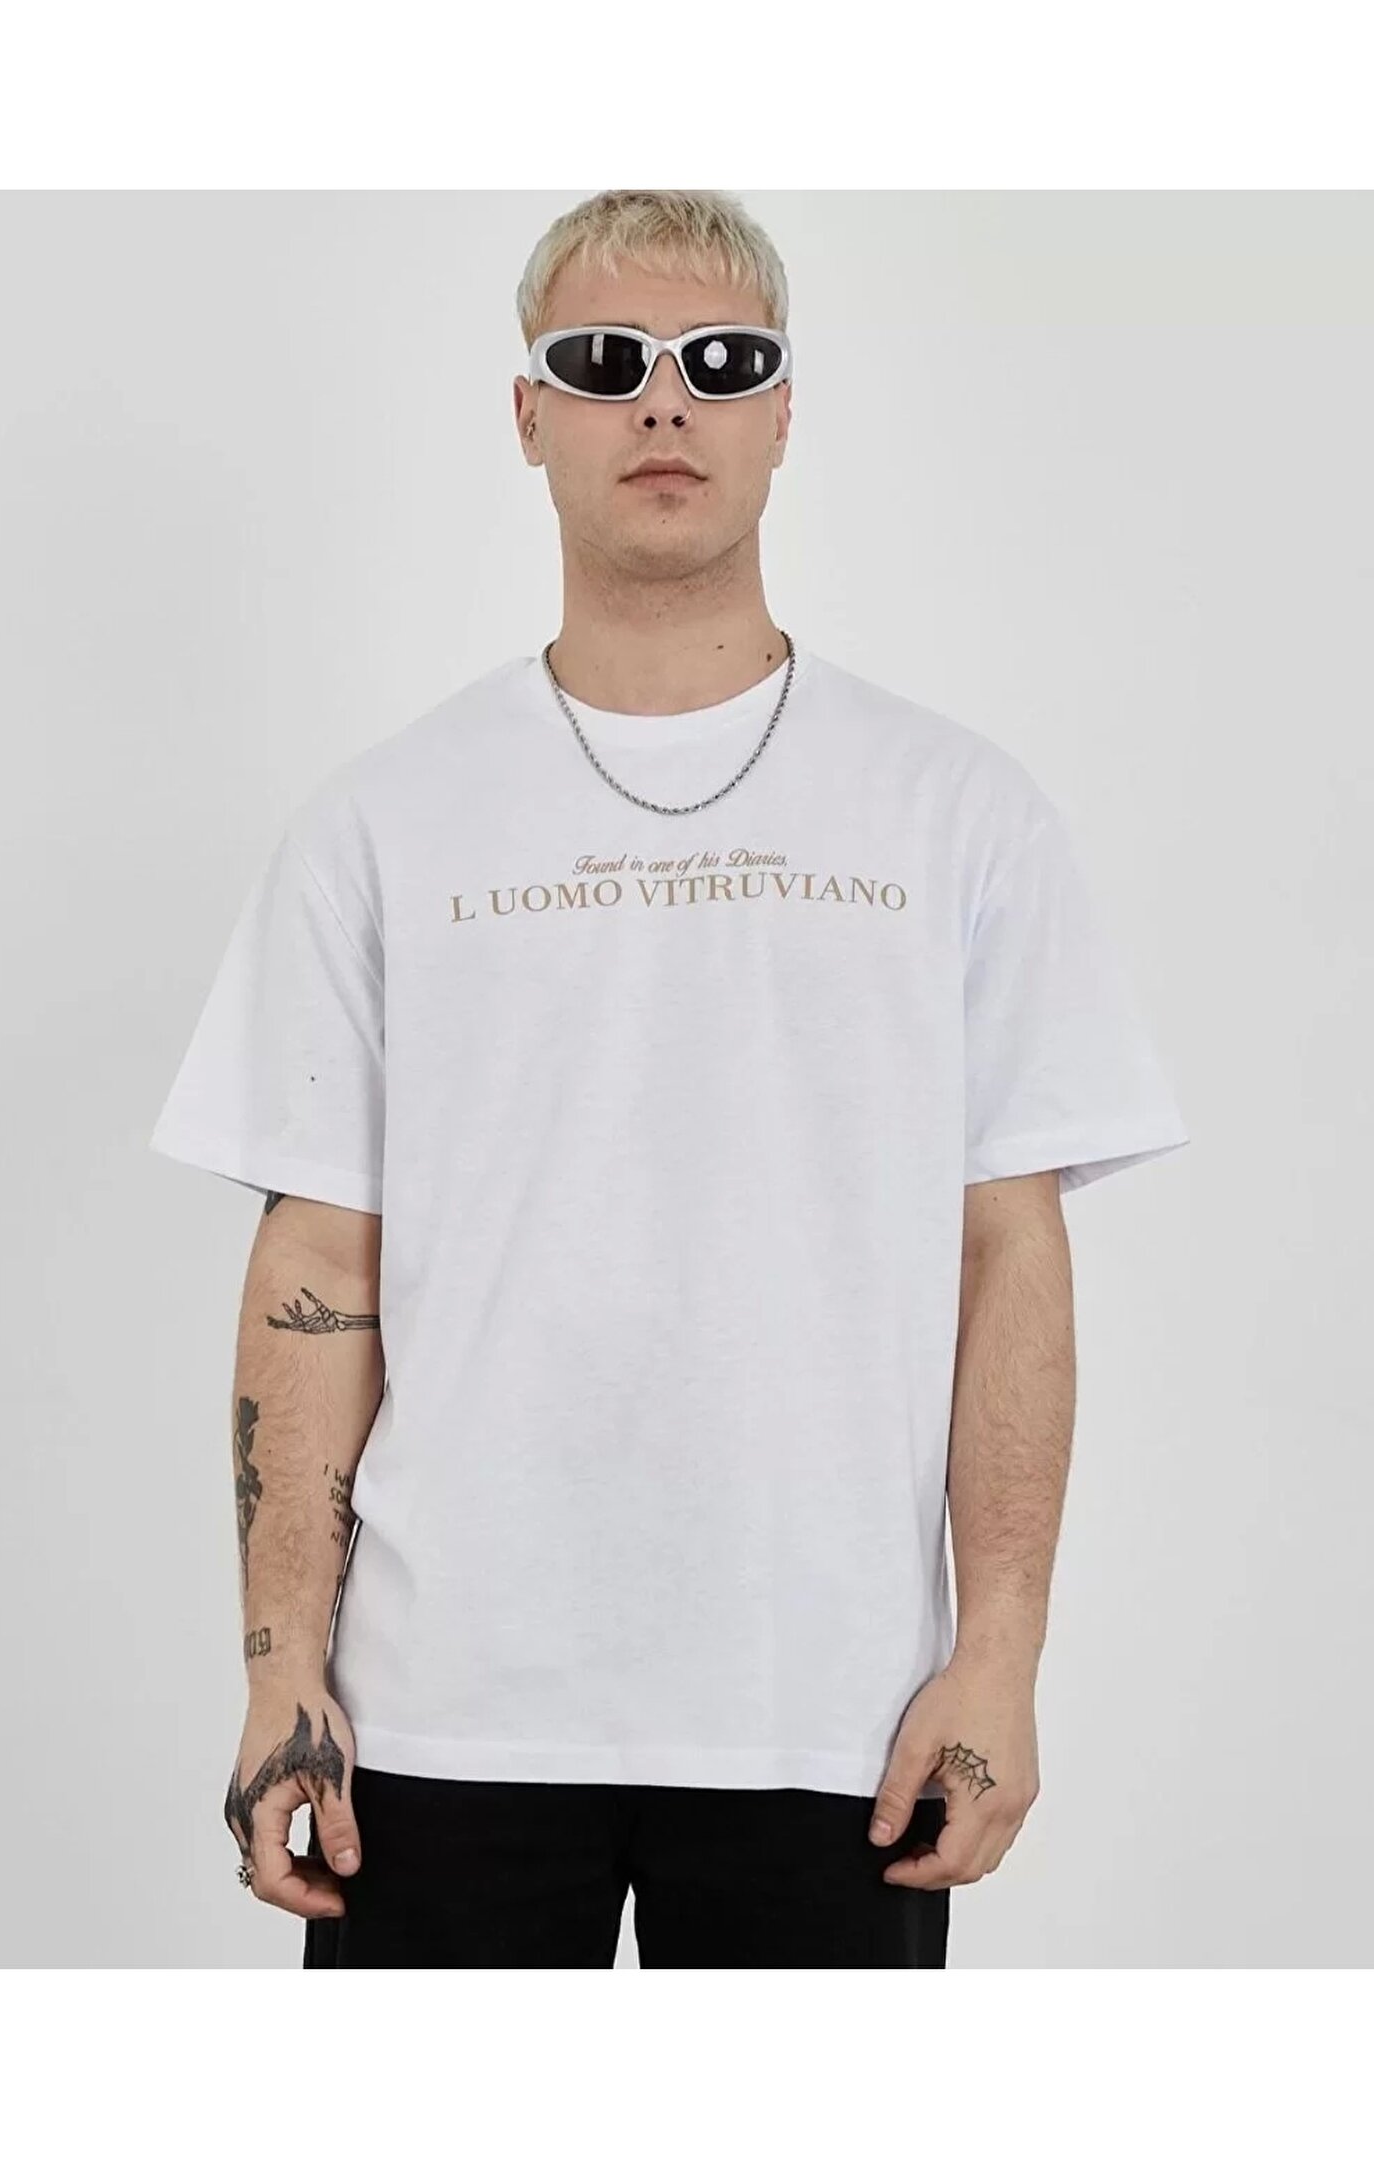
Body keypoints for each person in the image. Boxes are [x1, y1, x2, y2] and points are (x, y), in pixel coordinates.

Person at [149, 187, 1190, 1969]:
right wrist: (283, 1671)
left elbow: (1008, 1250)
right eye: (602, 359)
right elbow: (316, 1264)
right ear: (528, 414)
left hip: (834, 1711)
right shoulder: (384, 823)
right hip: (441, 1715)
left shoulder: (957, 813)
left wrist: (1002, 1652)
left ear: (783, 414)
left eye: (721, 361)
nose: (662, 402)